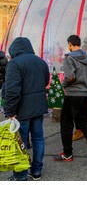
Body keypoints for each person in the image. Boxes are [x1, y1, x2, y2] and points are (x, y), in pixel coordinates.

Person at [3, 37, 49, 181]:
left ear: (14, 49)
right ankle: (36, 171)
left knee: (20, 142)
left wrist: (10, 111)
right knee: (38, 138)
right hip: (39, 107)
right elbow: (46, 81)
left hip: (21, 110)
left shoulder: (15, 64)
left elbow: (12, 90)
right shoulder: (41, 62)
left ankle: (21, 175)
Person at [53, 35, 87, 162]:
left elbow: (70, 77)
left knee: (66, 123)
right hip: (86, 94)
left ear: (70, 44)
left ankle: (67, 153)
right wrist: (86, 82)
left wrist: (63, 86)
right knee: (81, 120)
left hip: (73, 94)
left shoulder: (69, 58)